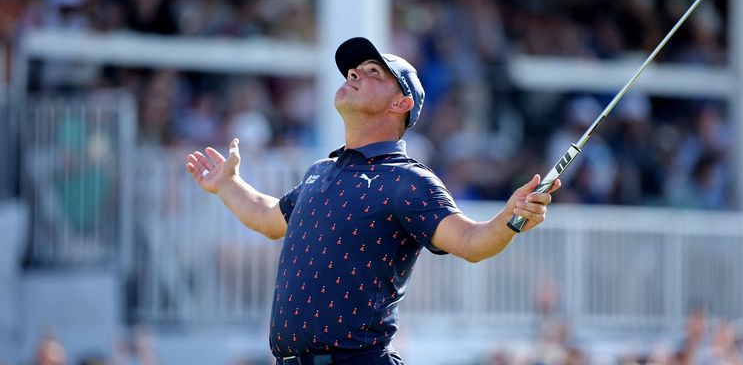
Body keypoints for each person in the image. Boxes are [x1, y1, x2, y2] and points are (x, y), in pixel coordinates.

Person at [186, 37, 560, 364]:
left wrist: (512, 218)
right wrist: (228, 184)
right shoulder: (321, 172)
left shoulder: (407, 180)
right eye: (353, 70)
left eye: (373, 72)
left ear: (401, 103)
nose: (353, 74)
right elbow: (268, 218)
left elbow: (471, 242)